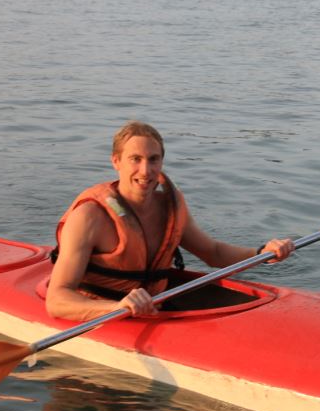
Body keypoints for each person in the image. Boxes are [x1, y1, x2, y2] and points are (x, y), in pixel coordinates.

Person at [46, 121, 293, 321]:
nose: (146, 170)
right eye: (135, 159)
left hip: (156, 307)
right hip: (103, 312)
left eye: (153, 160)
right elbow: (57, 300)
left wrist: (263, 252)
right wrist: (114, 308)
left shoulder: (170, 206)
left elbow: (214, 253)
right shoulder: (90, 217)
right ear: (116, 162)